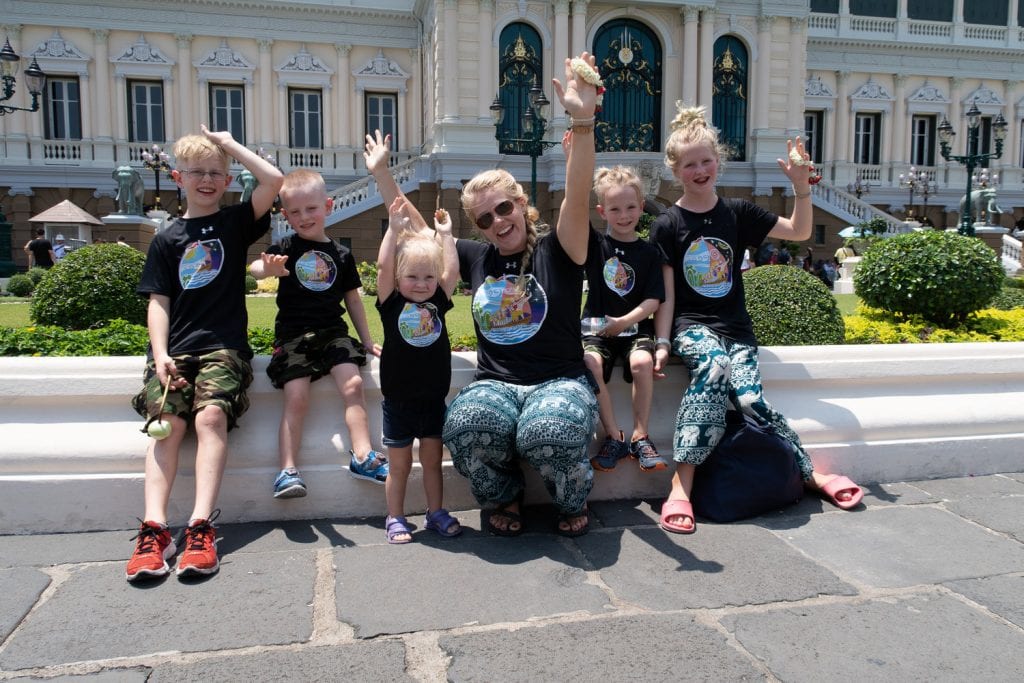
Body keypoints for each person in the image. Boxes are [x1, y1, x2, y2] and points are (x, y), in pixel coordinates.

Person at [650, 104, 864, 536]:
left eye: (707, 160)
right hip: (693, 327)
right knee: (713, 367)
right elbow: (668, 296)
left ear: (718, 162)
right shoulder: (667, 224)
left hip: (737, 329)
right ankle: (681, 483)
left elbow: (800, 232)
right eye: (690, 164)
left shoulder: (739, 213)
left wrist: (802, 189)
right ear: (676, 170)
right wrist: (663, 342)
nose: (700, 169)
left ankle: (809, 473)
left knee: (750, 401)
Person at [441, 52, 601, 538]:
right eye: (484, 219)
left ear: (521, 202)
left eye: (503, 208)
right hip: (498, 382)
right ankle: (503, 493)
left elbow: (577, 194)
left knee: (546, 431)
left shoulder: (561, 249)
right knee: (465, 423)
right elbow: (422, 265)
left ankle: (571, 497)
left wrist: (582, 120)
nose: (497, 222)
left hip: (561, 380)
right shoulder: (475, 257)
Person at [127, 124, 283, 581]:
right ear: (178, 178)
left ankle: (200, 526)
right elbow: (159, 301)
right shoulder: (167, 237)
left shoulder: (234, 223)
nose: (208, 180)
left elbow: (273, 180)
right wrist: (159, 355)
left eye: (217, 172)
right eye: (197, 172)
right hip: (176, 351)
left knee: (210, 417)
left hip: (224, 348)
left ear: (228, 178)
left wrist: (228, 145)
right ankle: (154, 529)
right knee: (167, 426)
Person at [249, 169, 389, 501]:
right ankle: (287, 470)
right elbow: (257, 267)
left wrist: (367, 340)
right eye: (294, 212)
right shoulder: (285, 246)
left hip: (333, 333)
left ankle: (363, 455)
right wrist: (267, 270)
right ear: (285, 215)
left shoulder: (341, 255)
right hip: (294, 335)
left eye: (311, 209)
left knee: (353, 384)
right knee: (296, 397)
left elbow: (353, 299)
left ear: (327, 206)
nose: (304, 217)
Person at [373, 196, 461, 543]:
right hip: (398, 402)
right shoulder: (392, 304)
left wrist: (447, 235)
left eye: (428, 277)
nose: (421, 284)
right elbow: (381, 269)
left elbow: (450, 272)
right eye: (412, 276)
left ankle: (435, 512)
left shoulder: (437, 303)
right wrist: (392, 233)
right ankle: (394, 517)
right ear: (398, 278)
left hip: (432, 401)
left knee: (433, 462)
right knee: (398, 466)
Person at [582, 165, 668, 474]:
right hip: (597, 329)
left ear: (642, 207)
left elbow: (653, 299)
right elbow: (574, 211)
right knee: (590, 363)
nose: (624, 215)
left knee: (642, 364)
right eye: (615, 209)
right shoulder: (595, 247)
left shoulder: (649, 252)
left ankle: (640, 435)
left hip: (635, 329)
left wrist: (624, 321)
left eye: (631, 207)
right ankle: (613, 435)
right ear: (602, 212)